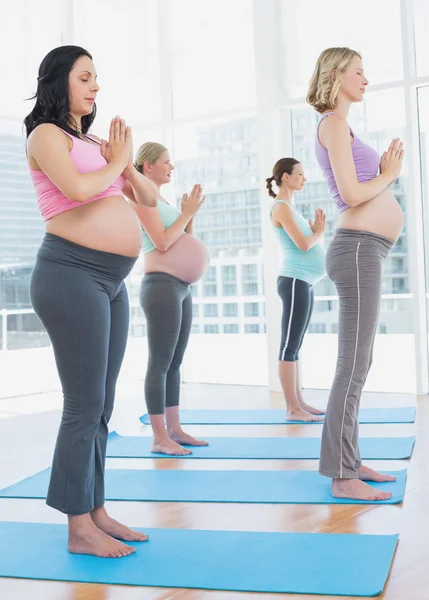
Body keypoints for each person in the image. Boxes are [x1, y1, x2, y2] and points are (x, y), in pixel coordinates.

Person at [25, 45, 158, 557]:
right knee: (83, 406)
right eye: (85, 77)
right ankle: (78, 528)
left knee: (101, 404)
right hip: (68, 273)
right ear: (59, 82)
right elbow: (78, 190)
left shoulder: (94, 142)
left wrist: (123, 163)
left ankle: (97, 510)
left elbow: (146, 199)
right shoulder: (45, 135)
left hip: (111, 281)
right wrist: (116, 164)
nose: (96, 86)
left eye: (97, 78)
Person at [307, 47, 403, 500]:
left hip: (367, 249)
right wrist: (390, 175)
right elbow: (351, 192)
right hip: (359, 248)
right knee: (353, 364)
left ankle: (350, 459)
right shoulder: (334, 123)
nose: (366, 79)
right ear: (336, 74)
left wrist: (384, 176)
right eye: (358, 72)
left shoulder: (340, 126)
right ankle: (342, 475)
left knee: (358, 363)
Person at [133, 142, 210, 455]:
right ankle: (158, 437)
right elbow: (162, 241)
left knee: (175, 363)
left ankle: (175, 429)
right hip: (161, 285)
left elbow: (183, 238)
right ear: (148, 166)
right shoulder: (141, 196)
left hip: (181, 286)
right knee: (160, 363)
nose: (171, 167)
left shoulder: (160, 199)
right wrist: (186, 214)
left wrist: (189, 215)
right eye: (166, 161)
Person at [267, 158, 326, 422]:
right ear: (285, 177)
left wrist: (313, 231)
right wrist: (319, 232)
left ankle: (299, 402)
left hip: (304, 281)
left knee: (296, 345)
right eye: (300, 174)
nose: (304, 178)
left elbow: (304, 241)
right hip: (293, 280)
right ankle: (292, 409)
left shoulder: (291, 208)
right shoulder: (281, 207)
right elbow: (303, 245)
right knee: (288, 346)